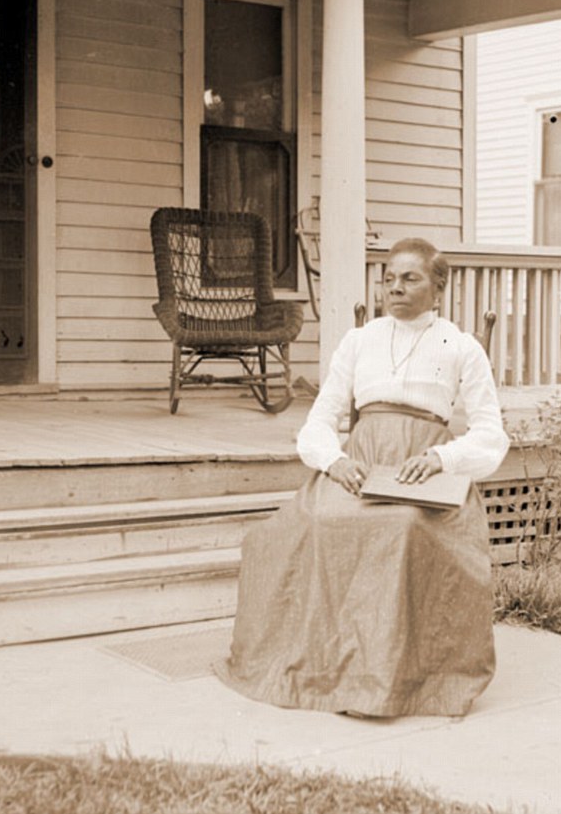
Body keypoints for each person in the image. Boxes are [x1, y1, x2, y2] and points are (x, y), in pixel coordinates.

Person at [217, 237, 509, 718]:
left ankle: (385, 679)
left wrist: (442, 458)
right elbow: (321, 416)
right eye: (388, 278)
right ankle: (327, 669)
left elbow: (491, 434)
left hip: (421, 466)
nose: (394, 288)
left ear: (438, 287)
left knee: (402, 528)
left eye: (409, 278)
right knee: (316, 521)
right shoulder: (359, 340)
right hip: (361, 460)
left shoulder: (460, 346)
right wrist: (334, 461)